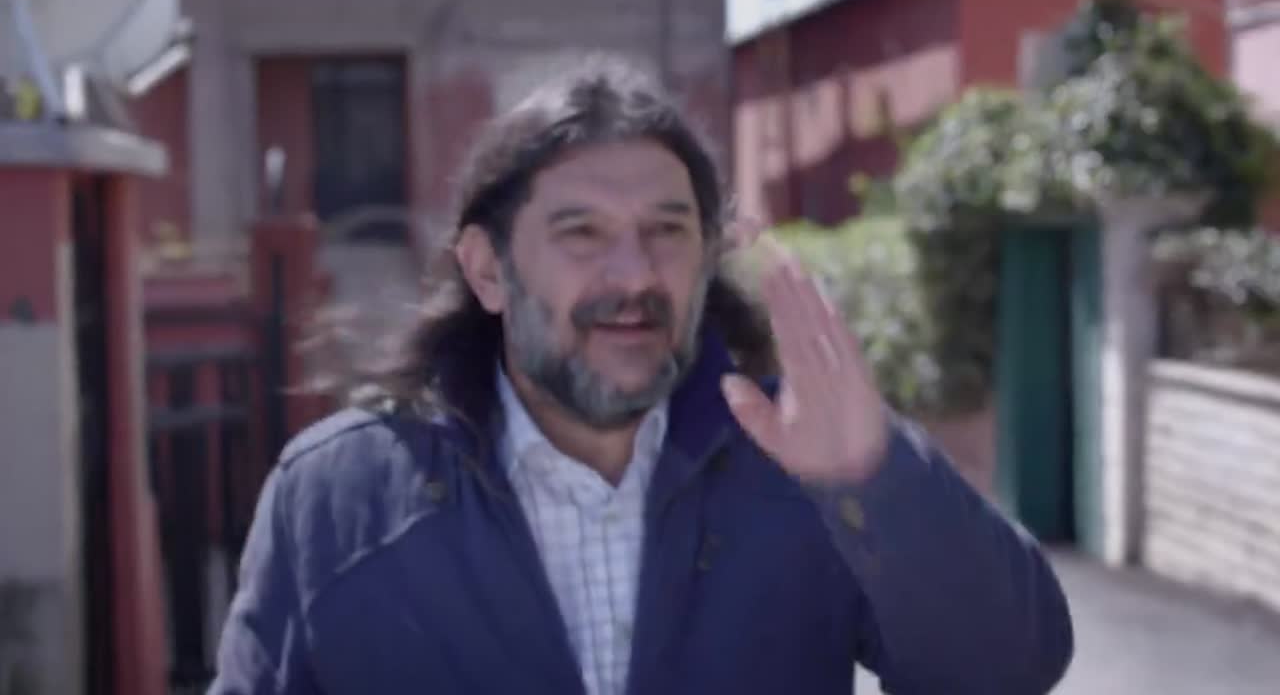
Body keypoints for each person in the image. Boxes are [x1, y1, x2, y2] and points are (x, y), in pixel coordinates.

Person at [209, 56, 1074, 694]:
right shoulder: (339, 497)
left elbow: (1007, 670)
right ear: (487, 270)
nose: (634, 274)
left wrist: (875, 477)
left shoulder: (807, 467)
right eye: (582, 233)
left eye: (667, 230)